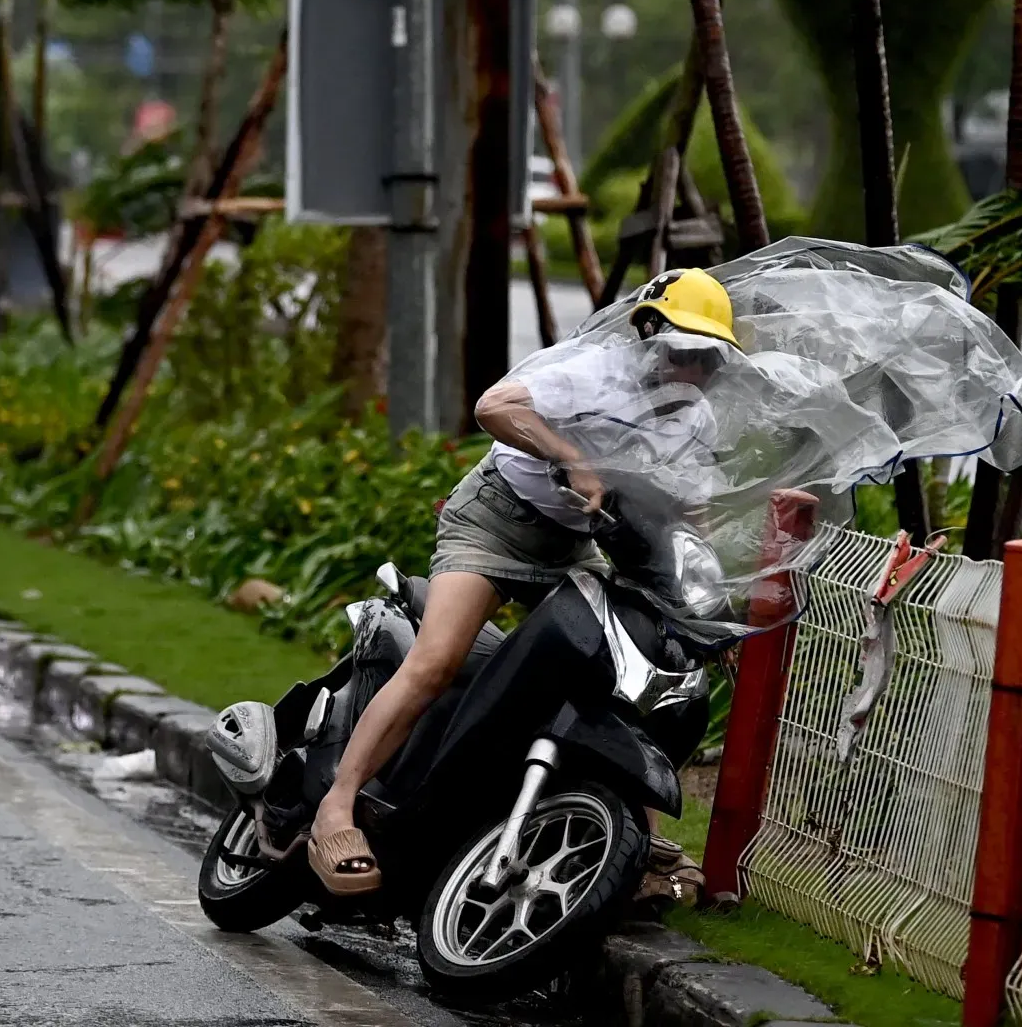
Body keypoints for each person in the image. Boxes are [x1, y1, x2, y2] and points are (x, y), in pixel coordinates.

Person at [306, 267, 740, 896]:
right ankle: (336, 806)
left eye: (710, 359)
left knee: (626, 681)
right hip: (497, 519)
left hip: (578, 545)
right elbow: (494, 406)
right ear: (648, 333)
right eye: (685, 351)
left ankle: (637, 843)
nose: (695, 371)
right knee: (435, 662)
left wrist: (709, 608)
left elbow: (688, 515)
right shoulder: (591, 370)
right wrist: (573, 459)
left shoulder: (691, 419)